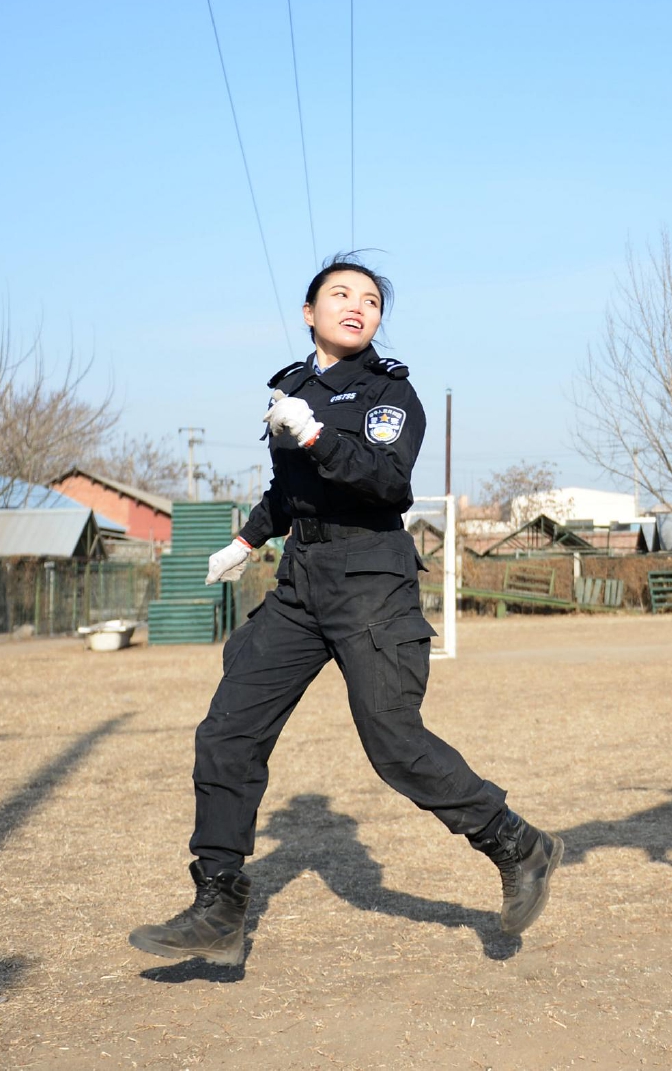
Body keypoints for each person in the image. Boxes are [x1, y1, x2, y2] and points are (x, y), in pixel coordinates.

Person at [130, 254, 561, 967]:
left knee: (393, 740)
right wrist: (246, 539)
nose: (357, 306)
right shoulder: (291, 388)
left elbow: (387, 482)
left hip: (371, 576)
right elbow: (287, 491)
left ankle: (519, 844)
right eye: (340, 295)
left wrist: (316, 436)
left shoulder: (388, 395)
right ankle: (218, 901)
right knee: (227, 731)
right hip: (301, 578)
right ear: (309, 312)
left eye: (370, 299)